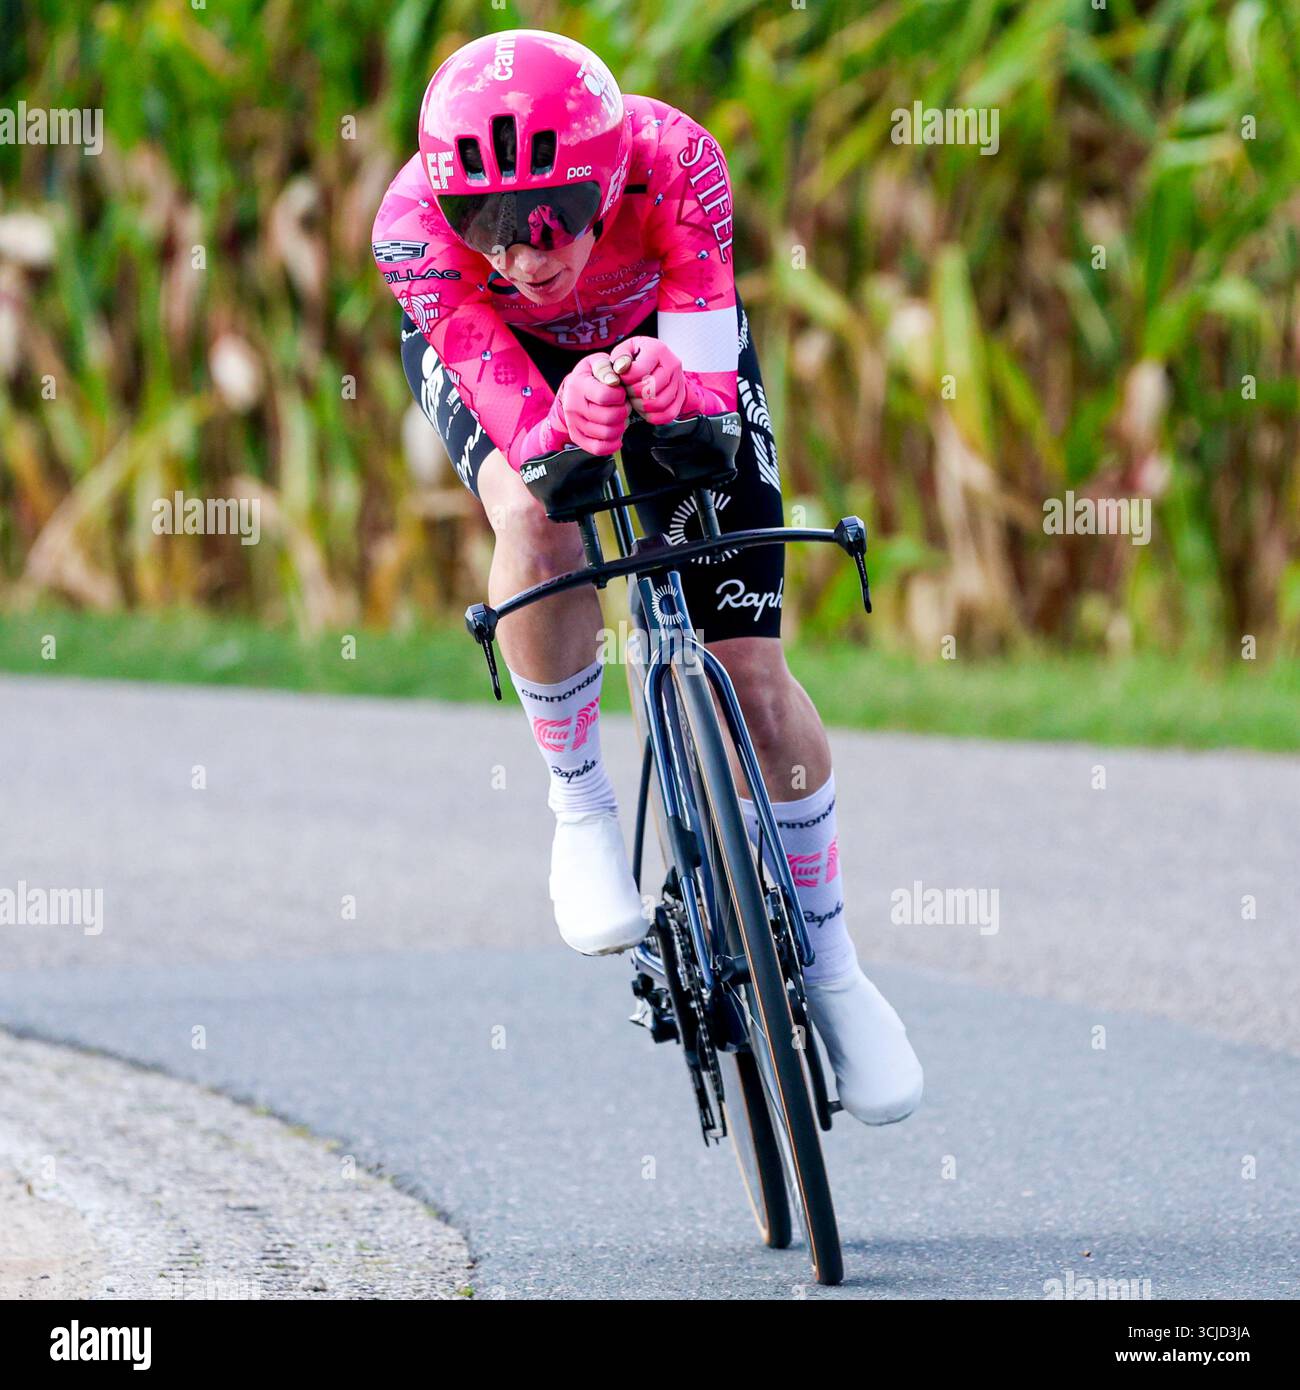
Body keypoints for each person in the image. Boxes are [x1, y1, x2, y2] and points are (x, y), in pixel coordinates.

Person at [373, 28, 922, 1125]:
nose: (524, 257)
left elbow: (710, 419)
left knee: (754, 679)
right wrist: (561, 428)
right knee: (538, 514)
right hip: (515, 370)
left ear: (607, 174)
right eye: (487, 226)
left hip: (668, 339)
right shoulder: (414, 239)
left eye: (551, 220)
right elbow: (535, 449)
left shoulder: (676, 161)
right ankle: (578, 803)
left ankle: (832, 966)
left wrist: (676, 392)